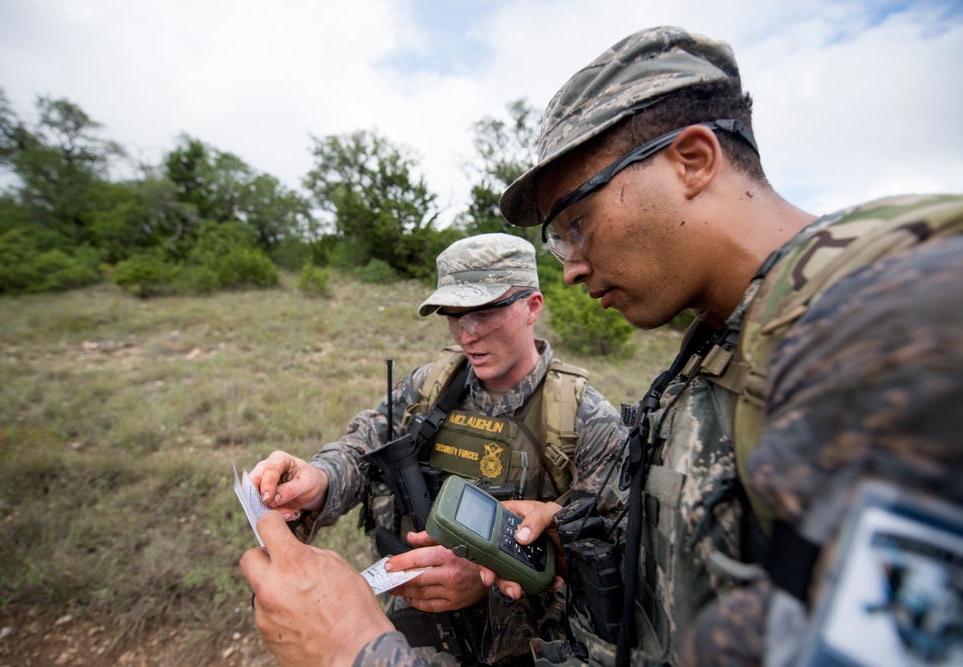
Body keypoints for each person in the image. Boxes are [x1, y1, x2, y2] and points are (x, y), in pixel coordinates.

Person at [241, 27, 963, 667]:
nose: (571, 264)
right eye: (556, 239)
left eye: (577, 223)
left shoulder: (889, 326)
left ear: (691, 158)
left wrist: (355, 651)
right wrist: (558, 533)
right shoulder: (717, 355)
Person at [243, 232, 629, 666]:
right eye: (454, 316)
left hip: (525, 651)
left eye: (483, 313)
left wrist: (487, 577)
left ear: (532, 306)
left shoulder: (583, 419)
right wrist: (321, 478)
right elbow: (363, 443)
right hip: (413, 637)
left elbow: (610, 565)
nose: (466, 335)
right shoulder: (430, 386)